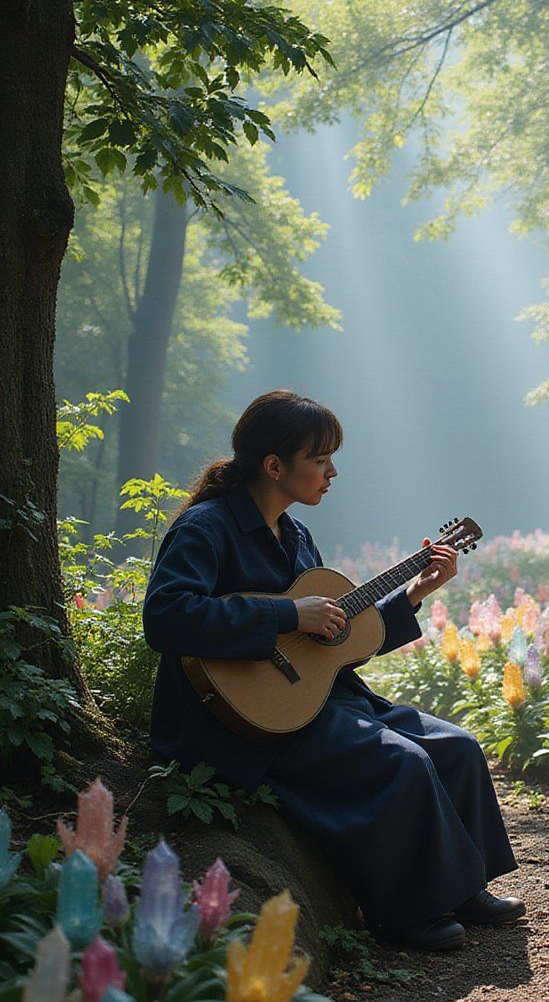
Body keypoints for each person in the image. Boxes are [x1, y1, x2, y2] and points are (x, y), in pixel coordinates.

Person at [142, 389, 523, 952]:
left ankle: (464, 888)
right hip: (238, 721)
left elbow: (329, 643)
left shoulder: (295, 536)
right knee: (404, 763)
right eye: (320, 460)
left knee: (459, 746)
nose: (332, 472)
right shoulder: (206, 527)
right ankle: (404, 913)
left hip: (315, 700)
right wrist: (287, 612)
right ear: (274, 466)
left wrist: (414, 594)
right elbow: (166, 616)